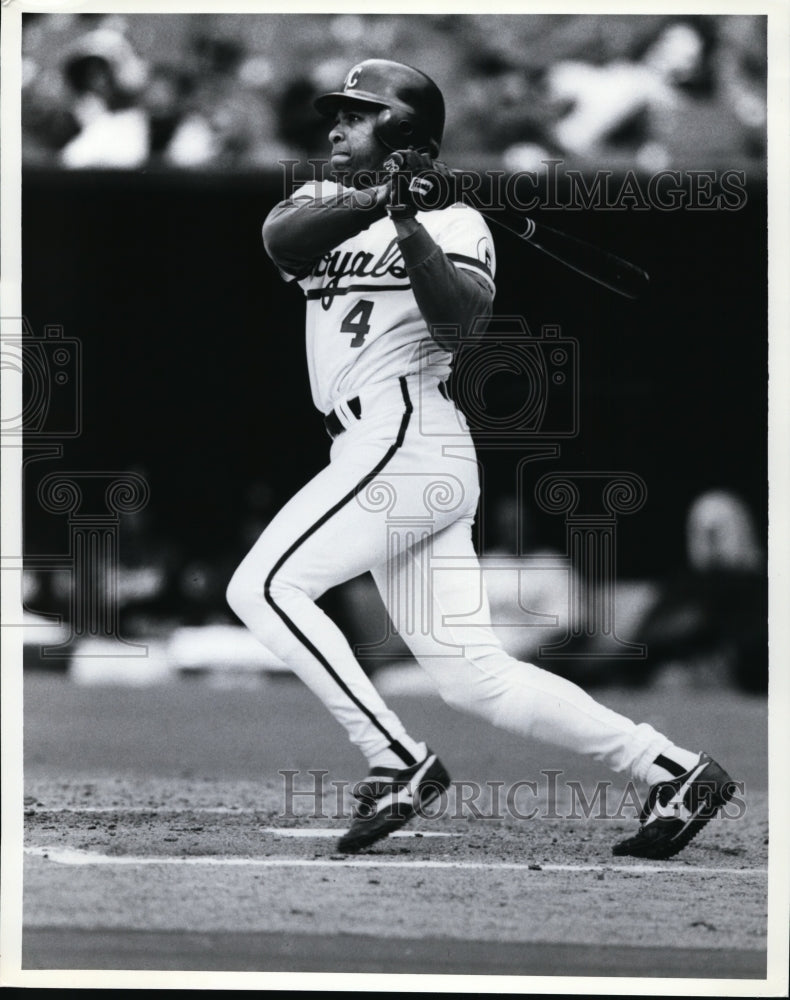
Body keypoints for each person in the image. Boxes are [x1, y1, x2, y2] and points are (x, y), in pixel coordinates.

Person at [226, 58, 736, 857]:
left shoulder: (458, 223)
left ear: (402, 130)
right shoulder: (324, 199)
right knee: (473, 675)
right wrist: (377, 200)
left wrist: (410, 224)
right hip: (381, 450)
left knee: (262, 585)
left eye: (356, 116)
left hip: (408, 437)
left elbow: (459, 326)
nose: (334, 128)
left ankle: (394, 759)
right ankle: (671, 768)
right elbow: (278, 240)